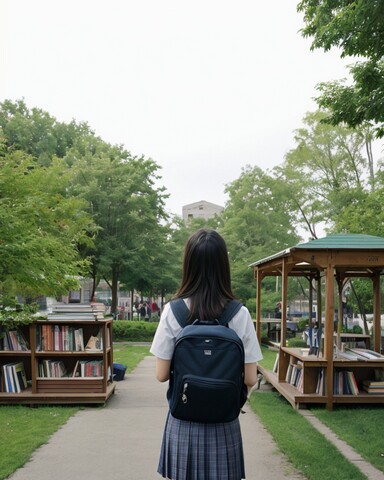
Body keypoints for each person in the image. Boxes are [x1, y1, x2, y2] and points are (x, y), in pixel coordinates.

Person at [150, 228, 263, 480]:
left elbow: (160, 375)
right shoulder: (239, 314)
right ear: (223, 265)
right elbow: (250, 378)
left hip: (183, 421)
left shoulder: (173, 311)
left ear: (188, 264)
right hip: (223, 423)